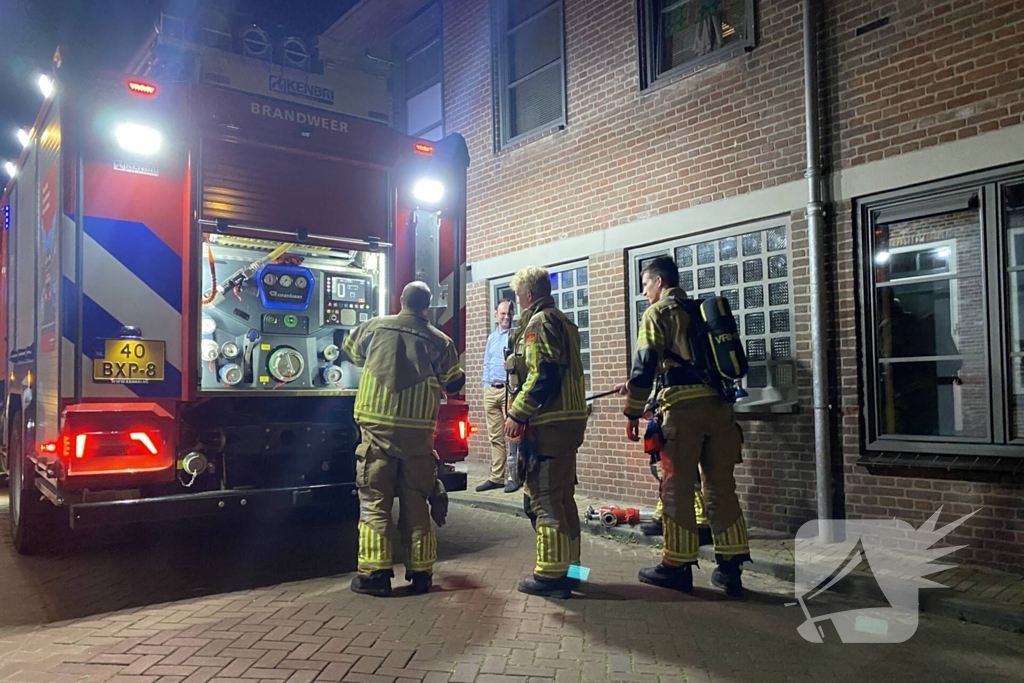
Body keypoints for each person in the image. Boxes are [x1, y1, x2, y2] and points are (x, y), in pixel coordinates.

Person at [617, 255, 750, 596]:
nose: (644, 292)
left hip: (682, 413)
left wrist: (633, 412)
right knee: (721, 487)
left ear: (659, 282)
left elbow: (645, 366)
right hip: (721, 411)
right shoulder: (701, 311)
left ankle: (675, 566)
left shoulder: (657, 313)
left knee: (675, 487)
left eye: (646, 284)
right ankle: (731, 568)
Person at [342, 281, 465, 597]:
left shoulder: (374, 327)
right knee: (417, 504)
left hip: (376, 435)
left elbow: (351, 353)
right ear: (426, 306)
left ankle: (375, 575)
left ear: (401, 300)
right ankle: (421, 573)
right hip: (417, 439)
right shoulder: (441, 341)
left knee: (375, 503)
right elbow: (454, 383)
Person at [503, 266, 588, 599]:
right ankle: (574, 571)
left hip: (550, 424)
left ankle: (551, 576)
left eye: (517, 295)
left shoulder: (539, 324)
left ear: (527, 295)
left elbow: (544, 375)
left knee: (545, 499)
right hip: (569, 423)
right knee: (564, 498)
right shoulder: (565, 321)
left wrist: (517, 413)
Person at [477, 298, 519, 493]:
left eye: (509, 313)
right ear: (496, 314)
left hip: (507, 390)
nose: (506, 317)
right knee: (495, 437)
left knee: (512, 435)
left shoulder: (515, 336)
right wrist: (485, 386)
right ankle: (496, 477)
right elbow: (486, 363)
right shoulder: (491, 338)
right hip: (491, 390)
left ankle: (513, 477)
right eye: (502, 313)